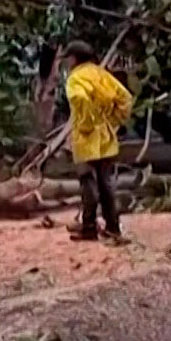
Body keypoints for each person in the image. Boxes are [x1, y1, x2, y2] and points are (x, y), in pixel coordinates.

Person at [61, 40, 132, 243]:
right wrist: (113, 121)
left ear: (74, 58)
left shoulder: (75, 79)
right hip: (106, 137)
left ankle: (89, 228)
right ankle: (113, 227)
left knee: (88, 184)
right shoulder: (101, 74)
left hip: (86, 138)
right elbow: (125, 98)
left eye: (68, 58)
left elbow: (80, 99)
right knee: (107, 184)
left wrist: (86, 124)